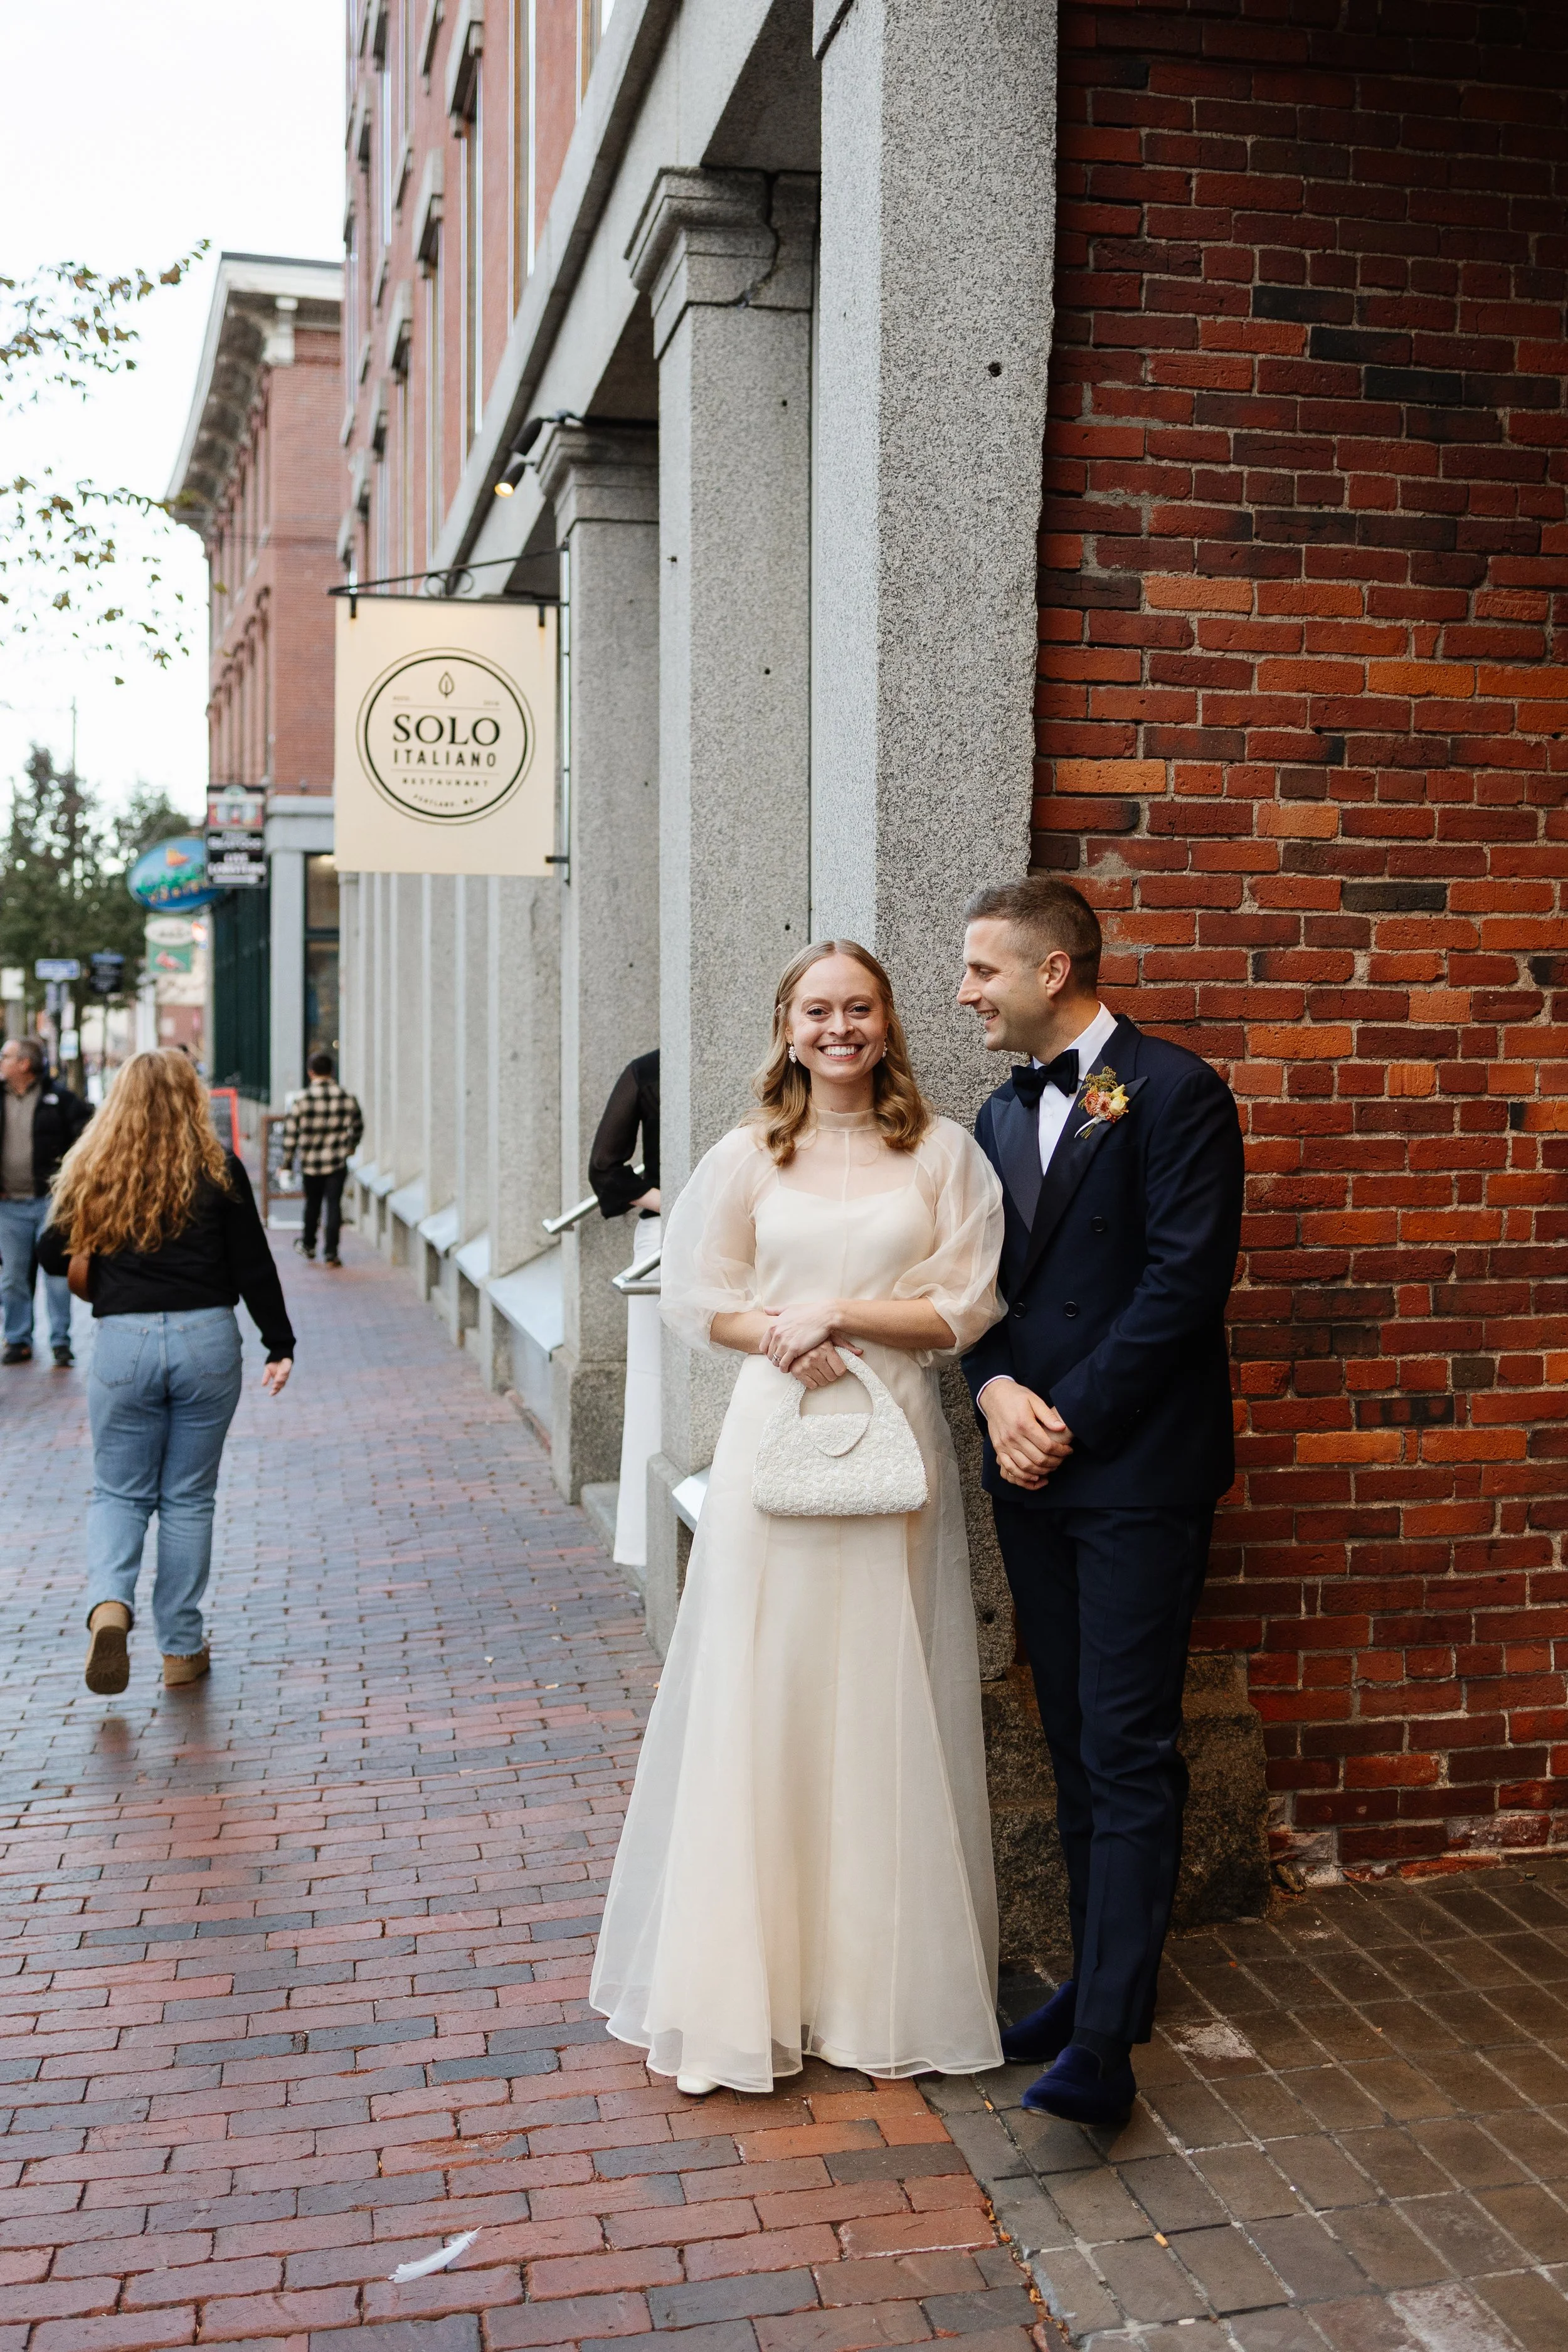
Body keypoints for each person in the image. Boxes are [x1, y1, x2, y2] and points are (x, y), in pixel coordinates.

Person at [591, 942, 1007, 2095]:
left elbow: (964, 1304)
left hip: (888, 1445)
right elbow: (696, 1295)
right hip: (775, 1437)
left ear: (887, 1023)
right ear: (786, 1025)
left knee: (877, 1694)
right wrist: (780, 1331)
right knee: (763, 1688)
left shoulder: (941, 1154)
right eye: (818, 1010)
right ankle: (750, 1989)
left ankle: (869, 1993)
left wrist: (835, 1308)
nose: (839, 1028)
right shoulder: (744, 1156)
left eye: (859, 1008)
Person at [958, 877, 1244, 2128]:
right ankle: (1089, 1990)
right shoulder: (988, 1113)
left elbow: (1181, 1286)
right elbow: (964, 1285)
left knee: (1126, 1747)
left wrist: (1059, 1412)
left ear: (1052, 972)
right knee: (1073, 1739)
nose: (964, 992)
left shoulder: (1175, 1093)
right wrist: (990, 1393)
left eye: (981, 971)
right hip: (1028, 1477)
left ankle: (1107, 2049)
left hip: (1130, 1473)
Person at [39, 1049, 295, 1697]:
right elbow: (253, 1266)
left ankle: (109, 1605)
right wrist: (278, 1342)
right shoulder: (218, 1169)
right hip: (206, 1336)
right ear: (191, 1098)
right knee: (188, 1496)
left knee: (120, 1492)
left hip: (123, 1340)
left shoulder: (94, 1167)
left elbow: (48, 1252)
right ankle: (181, 1648)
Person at [589, 1050, 660, 1571]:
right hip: (674, 1239)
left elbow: (604, 1168)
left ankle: (644, 1538)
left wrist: (670, 1199)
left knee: (653, 1387)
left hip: (666, 1237)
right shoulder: (647, 1070)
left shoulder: (646, 1069)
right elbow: (605, 1170)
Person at [0, 1034, 91, 1367]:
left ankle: (60, 1341)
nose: (2, 1062)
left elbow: (86, 1141)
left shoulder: (61, 1099)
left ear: (24, 1064)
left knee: (57, 1275)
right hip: (9, 1206)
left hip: (53, 1204)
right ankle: (18, 1339)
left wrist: (70, 1188)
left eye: (6, 1056)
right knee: (11, 1277)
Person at [278, 1049, 363, 1266]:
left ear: (310, 1073)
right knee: (334, 1204)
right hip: (336, 1161)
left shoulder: (301, 1100)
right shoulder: (347, 1097)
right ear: (332, 1071)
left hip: (311, 1162)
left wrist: (287, 1162)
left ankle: (309, 1244)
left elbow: (290, 1135)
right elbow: (358, 1126)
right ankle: (331, 1252)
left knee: (312, 1204)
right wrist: (350, 1147)